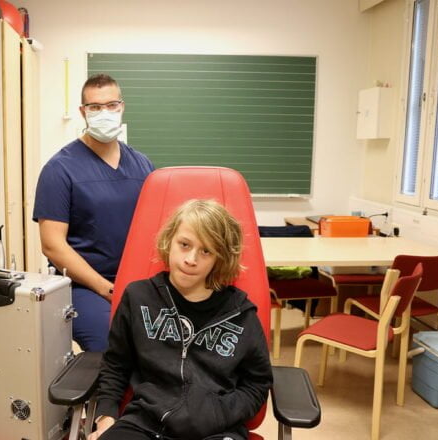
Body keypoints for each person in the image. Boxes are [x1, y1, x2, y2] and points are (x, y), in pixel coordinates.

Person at [90, 199, 273, 440]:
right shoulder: (138, 297)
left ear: (219, 258)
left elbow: (257, 383)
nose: (191, 259)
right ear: (169, 241)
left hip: (217, 431)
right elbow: (116, 364)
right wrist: (105, 417)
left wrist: (218, 414)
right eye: (184, 245)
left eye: (206, 251)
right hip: (145, 423)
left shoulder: (240, 314)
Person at [32, 74, 154, 352]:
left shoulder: (143, 165)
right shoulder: (59, 169)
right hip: (84, 286)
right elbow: (52, 245)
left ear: (122, 107)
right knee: (111, 345)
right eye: (95, 107)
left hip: (138, 280)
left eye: (111, 105)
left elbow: (156, 228)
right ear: (83, 112)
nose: (105, 113)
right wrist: (106, 288)